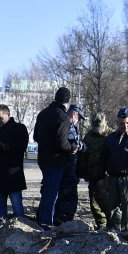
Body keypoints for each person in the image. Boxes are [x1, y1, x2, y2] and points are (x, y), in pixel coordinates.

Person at [33, 87, 77, 227]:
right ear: (67, 101)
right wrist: (72, 148)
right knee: (51, 194)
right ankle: (46, 224)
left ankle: (43, 220)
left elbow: (35, 136)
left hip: (43, 159)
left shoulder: (43, 114)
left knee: (47, 191)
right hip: (56, 161)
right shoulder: (63, 117)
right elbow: (62, 144)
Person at [0, 104, 28, 219]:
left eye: (0, 118)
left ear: (8, 114)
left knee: (16, 205)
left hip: (12, 172)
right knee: (0, 206)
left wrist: (1, 147)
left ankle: (20, 230)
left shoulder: (20, 128)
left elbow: (20, 147)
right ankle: (1, 229)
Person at [101, 108, 128, 231]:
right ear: (117, 123)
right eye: (122, 123)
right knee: (112, 208)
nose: (125, 126)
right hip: (112, 178)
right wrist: (101, 176)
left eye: (127, 123)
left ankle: (127, 233)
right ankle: (114, 233)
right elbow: (103, 158)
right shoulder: (110, 139)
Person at [76, 112, 110, 228]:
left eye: (99, 128)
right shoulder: (88, 136)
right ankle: (101, 225)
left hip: (106, 176)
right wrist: (82, 172)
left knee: (107, 201)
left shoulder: (111, 135)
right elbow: (83, 155)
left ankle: (111, 223)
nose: (97, 130)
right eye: (95, 128)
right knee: (94, 202)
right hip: (92, 174)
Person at [56, 103, 86, 223]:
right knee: (69, 196)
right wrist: (82, 146)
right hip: (67, 167)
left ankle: (63, 218)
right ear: (74, 114)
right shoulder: (67, 125)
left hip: (69, 166)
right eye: (78, 117)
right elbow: (75, 144)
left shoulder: (69, 125)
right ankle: (65, 220)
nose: (78, 121)